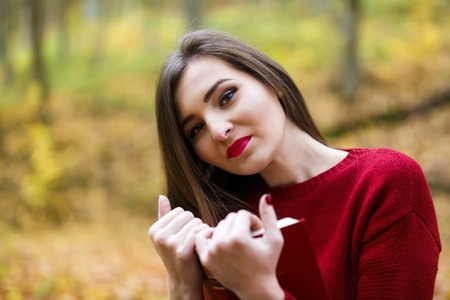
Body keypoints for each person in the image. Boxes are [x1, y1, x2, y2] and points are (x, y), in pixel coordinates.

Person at [148, 29, 441, 299]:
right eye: (195, 130)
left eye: (226, 97)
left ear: (272, 82)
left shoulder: (384, 183)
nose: (217, 130)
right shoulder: (219, 224)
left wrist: (258, 290)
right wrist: (183, 287)